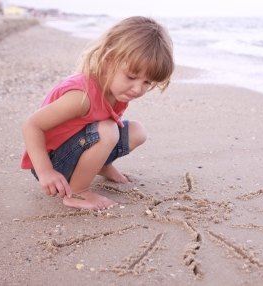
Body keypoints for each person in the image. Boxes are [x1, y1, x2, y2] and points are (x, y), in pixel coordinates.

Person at [20, 16, 174, 211]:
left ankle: (101, 165)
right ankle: (78, 191)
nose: (137, 89)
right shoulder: (81, 96)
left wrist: (106, 163)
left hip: (78, 150)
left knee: (136, 131)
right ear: (108, 60)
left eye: (147, 83)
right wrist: (45, 172)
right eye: (132, 77)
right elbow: (32, 125)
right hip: (53, 163)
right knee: (107, 130)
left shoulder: (117, 90)